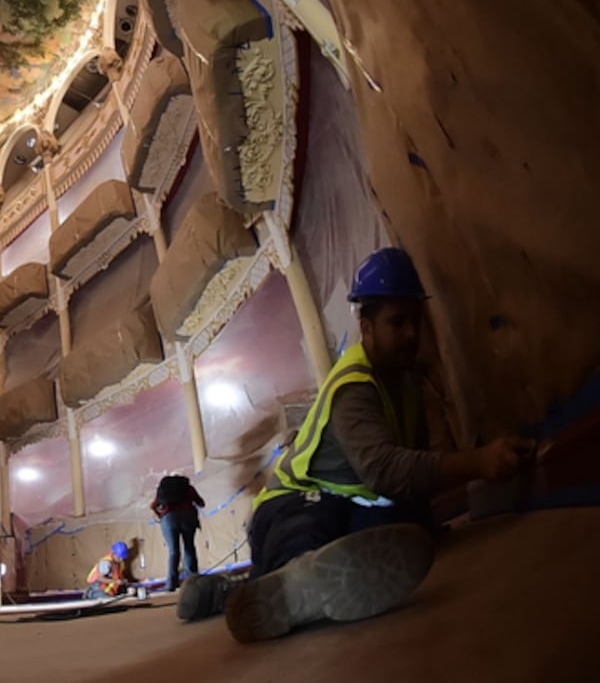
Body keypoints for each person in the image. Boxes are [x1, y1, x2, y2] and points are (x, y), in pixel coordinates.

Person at [180, 248, 534, 639]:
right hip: (291, 503)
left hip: (345, 503)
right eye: (397, 322)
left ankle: (247, 586)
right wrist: (478, 463)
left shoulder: (406, 381)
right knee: (313, 524)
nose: (411, 334)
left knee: (393, 530)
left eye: (415, 321)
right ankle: (287, 582)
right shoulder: (355, 386)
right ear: (366, 327)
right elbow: (385, 470)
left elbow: (413, 469)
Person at [150, 474, 206, 591]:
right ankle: (193, 581)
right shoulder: (188, 488)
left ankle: (171, 584)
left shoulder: (164, 490)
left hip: (169, 518)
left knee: (173, 551)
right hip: (188, 516)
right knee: (189, 547)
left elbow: (153, 506)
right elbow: (201, 503)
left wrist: (161, 516)